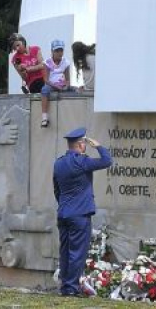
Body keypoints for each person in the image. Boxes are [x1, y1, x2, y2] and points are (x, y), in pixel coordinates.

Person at [53, 127, 113, 296]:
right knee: (77, 252)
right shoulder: (82, 162)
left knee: (65, 251)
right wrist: (99, 146)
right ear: (80, 144)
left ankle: (65, 286)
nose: (85, 146)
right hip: (79, 215)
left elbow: (57, 190)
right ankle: (71, 289)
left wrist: (65, 205)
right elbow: (107, 161)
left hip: (63, 213)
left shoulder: (59, 162)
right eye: (84, 143)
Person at [40, 40, 75, 128]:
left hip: (62, 85)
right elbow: (46, 80)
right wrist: (55, 86)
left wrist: (66, 86)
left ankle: (71, 116)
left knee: (75, 89)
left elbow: (67, 79)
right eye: (57, 51)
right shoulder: (47, 62)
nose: (59, 53)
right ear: (52, 51)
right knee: (44, 90)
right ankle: (44, 117)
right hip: (51, 85)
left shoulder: (66, 62)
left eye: (61, 50)